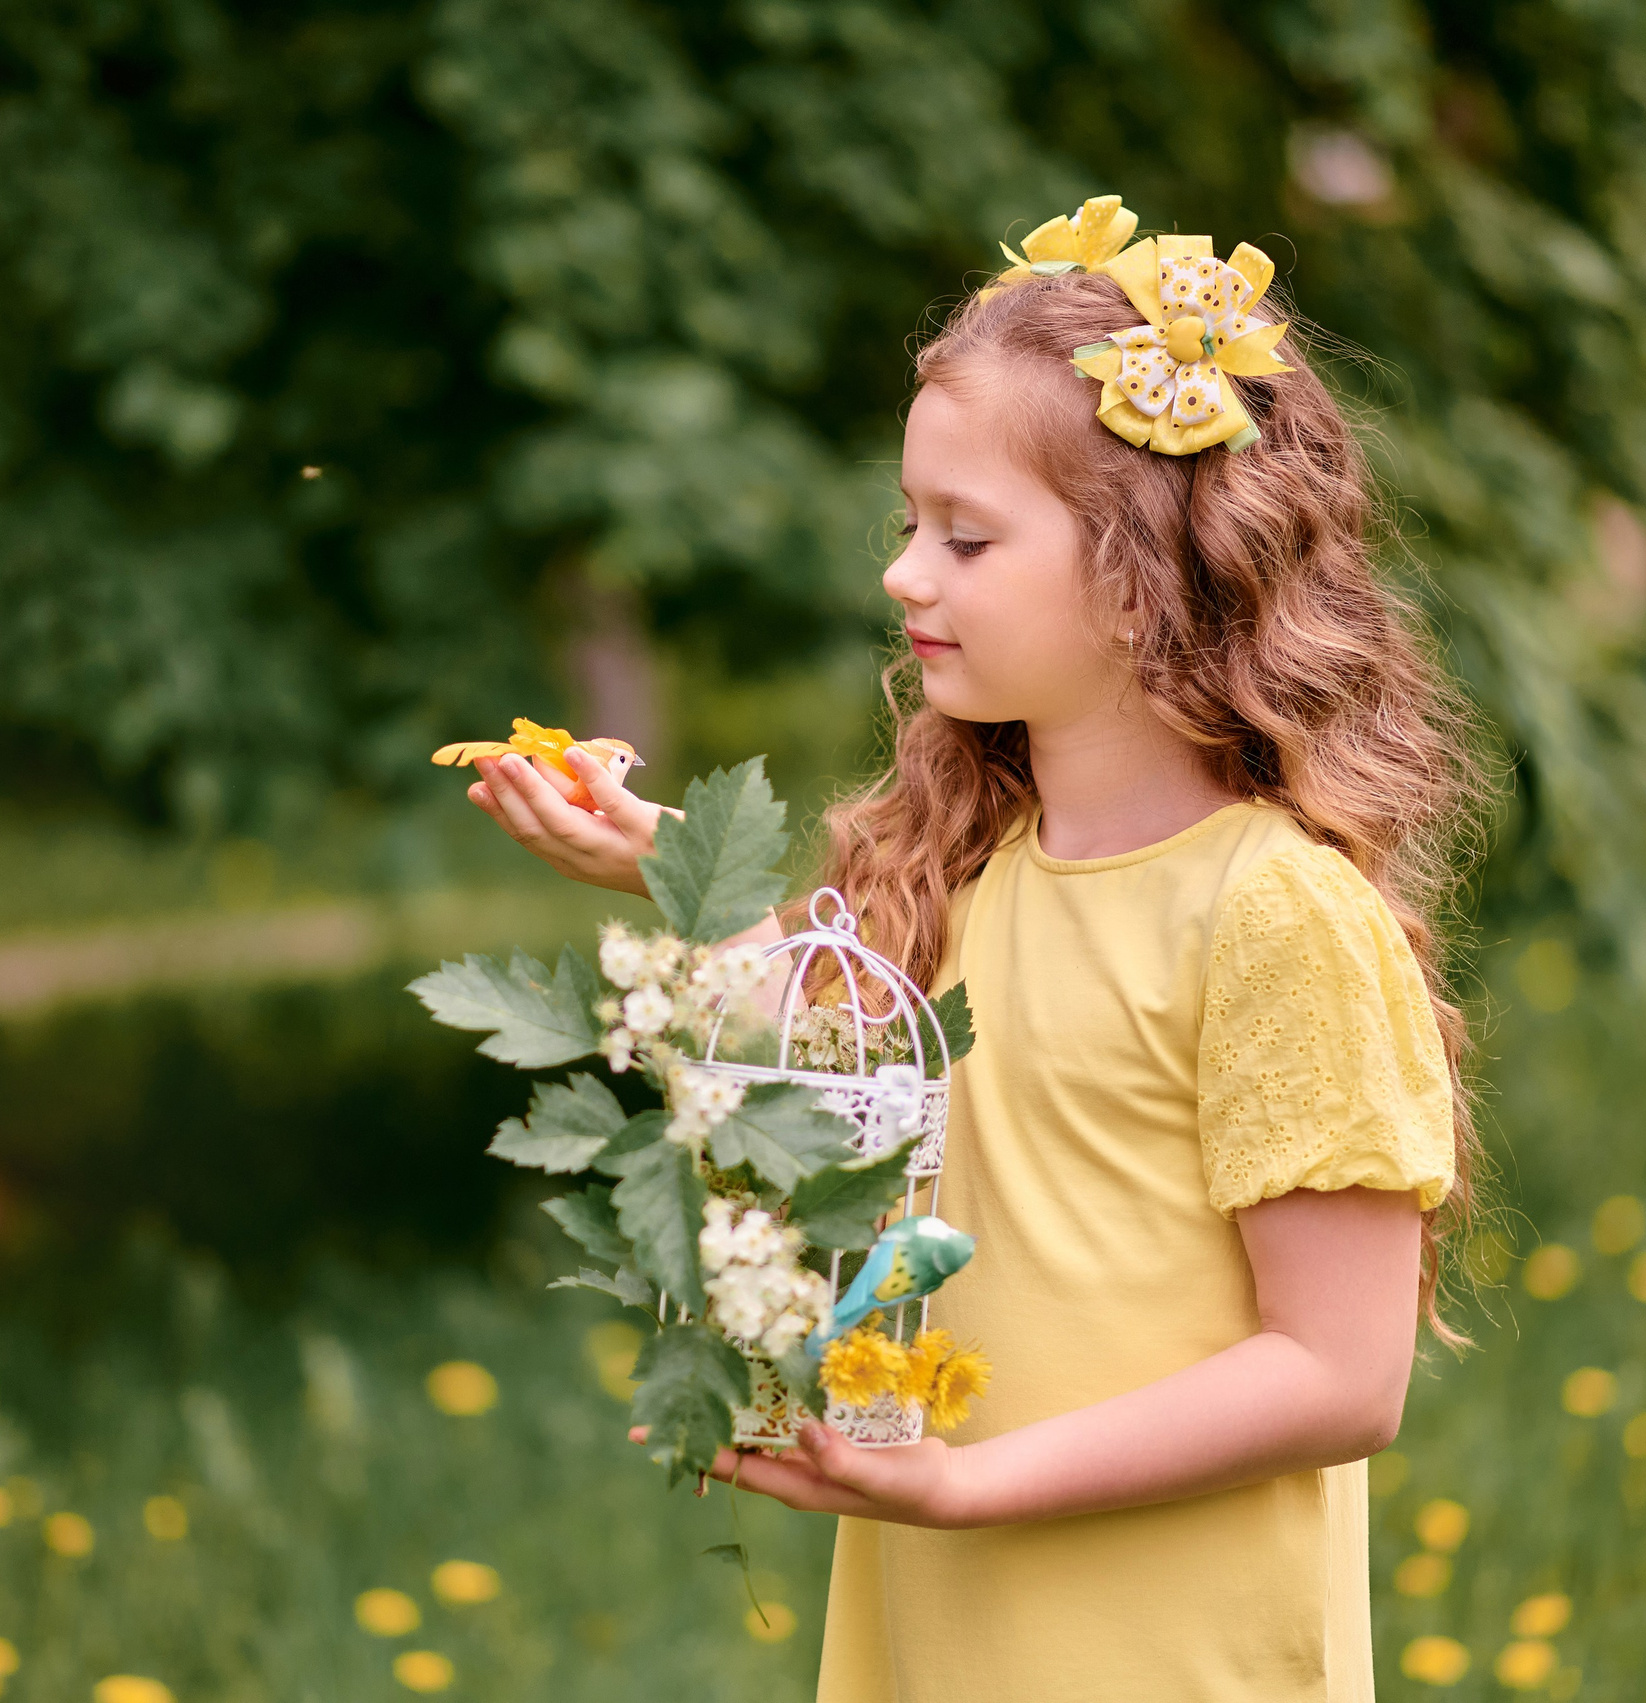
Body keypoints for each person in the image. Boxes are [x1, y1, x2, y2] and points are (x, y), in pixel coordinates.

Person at [456, 196, 1485, 1703]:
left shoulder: (1274, 914)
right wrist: (653, 855)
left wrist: (965, 1487)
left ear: (1147, 570)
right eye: (908, 524)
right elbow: (840, 1021)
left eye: (967, 535)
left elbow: (1343, 1373)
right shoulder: (992, 867)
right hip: (957, 1637)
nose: (903, 576)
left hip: (1161, 1655)